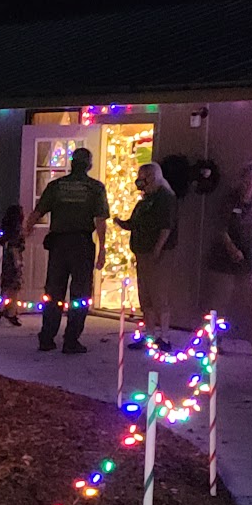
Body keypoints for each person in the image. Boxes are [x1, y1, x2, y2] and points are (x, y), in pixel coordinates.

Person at [29, 146, 108, 355]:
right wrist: (102, 248)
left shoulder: (57, 186)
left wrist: (24, 232)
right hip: (82, 244)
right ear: (89, 164)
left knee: (53, 291)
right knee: (80, 293)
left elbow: (37, 212)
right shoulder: (95, 188)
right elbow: (100, 220)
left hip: (58, 244)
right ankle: (71, 340)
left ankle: (47, 337)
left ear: (72, 163)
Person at [210, 162, 252, 357]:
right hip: (225, 260)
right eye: (249, 177)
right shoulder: (229, 200)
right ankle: (213, 340)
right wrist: (232, 248)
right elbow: (221, 228)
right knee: (219, 300)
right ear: (242, 178)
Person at [116, 162, 178, 350]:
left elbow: (166, 226)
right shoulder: (145, 200)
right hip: (142, 253)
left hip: (158, 254)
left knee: (159, 295)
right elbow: (136, 222)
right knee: (146, 296)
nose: (140, 180)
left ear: (153, 176)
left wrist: (158, 249)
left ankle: (164, 337)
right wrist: (122, 223)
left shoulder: (165, 198)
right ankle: (149, 334)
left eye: (144, 176)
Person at [0, 201, 26, 325]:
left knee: (9, 286)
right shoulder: (16, 231)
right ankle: (6, 311)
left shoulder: (7, 231)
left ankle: (6, 310)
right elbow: (15, 248)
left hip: (7, 260)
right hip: (13, 260)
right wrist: (18, 261)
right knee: (13, 286)